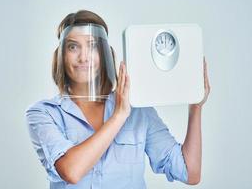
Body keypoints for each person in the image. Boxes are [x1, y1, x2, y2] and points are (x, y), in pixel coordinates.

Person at [25, 10, 210, 189]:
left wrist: (195, 105)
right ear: (61, 56)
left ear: (104, 54)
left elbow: (190, 172)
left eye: (92, 46)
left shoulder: (138, 108)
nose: (83, 57)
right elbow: (71, 171)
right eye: (73, 47)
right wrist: (119, 116)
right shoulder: (43, 113)